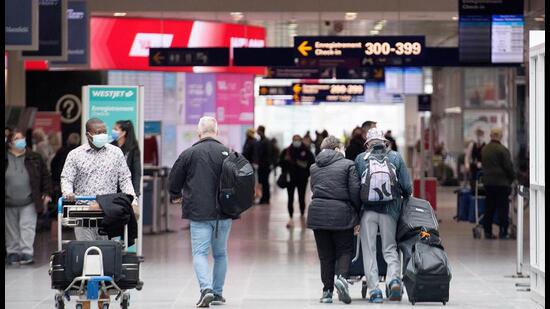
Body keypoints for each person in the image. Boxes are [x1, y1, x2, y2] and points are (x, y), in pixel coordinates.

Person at [169, 116, 232, 308]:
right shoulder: (228, 153)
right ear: (217, 132)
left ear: (198, 133)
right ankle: (218, 293)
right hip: (224, 211)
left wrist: (175, 194)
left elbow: (173, 181)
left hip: (198, 211)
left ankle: (206, 290)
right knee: (220, 254)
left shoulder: (189, 153)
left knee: (200, 252)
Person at [355, 128, 412, 303]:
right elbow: (407, 186)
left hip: (368, 211)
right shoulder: (394, 157)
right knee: (389, 247)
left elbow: (355, 187)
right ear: (384, 142)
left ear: (367, 144)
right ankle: (394, 280)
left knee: (369, 249)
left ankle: (374, 291)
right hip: (390, 210)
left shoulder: (360, 159)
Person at [61, 118, 138, 241]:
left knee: (108, 252)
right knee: (86, 251)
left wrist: (133, 201)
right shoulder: (75, 155)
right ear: (88, 134)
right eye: (98, 133)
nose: (102, 135)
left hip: (109, 211)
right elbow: (67, 178)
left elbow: (125, 179)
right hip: (84, 211)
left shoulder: (116, 153)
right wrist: (68, 192)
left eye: (104, 132)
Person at [307, 136, 361, 304]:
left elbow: (313, 188)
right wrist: (358, 212)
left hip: (318, 213)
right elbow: (355, 191)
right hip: (341, 213)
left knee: (325, 255)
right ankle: (342, 279)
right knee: (344, 250)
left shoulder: (314, 167)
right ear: (338, 149)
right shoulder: (348, 165)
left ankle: (327, 292)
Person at [5, 129, 52, 265]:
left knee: (28, 227)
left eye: (22, 138)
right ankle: (13, 252)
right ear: (10, 143)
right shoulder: (6, 157)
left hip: (30, 199)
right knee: (11, 228)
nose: (21, 141)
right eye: (17, 139)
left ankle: (26, 253)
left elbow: (45, 175)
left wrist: (47, 193)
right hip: (8, 201)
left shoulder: (34, 157)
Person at [481, 128, 515, 239]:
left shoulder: (484, 149)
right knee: (503, 208)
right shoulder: (502, 150)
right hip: (502, 183)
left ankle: (487, 231)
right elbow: (508, 167)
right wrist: (513, 178)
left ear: (491, 135)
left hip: (488, 183)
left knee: (489, 207)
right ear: (500, 136)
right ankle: (503, 231)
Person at [280, 134, 315, 228]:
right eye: (295, 140)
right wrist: (285, 162)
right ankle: (290, 216)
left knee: (301, 197)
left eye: (298, 140)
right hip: (290, 179)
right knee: (290, 198)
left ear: (301, 140)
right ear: (292, 140)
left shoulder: (306, 150)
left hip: (302, 179)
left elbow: (312, 163)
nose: (296, 141)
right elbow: (280, 163)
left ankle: (302, 214)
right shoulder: (287, 151)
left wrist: (307, 173)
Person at [111, 120, 142, 197]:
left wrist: (136, 192)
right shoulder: (110, 146)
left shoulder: (133, 148)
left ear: (124, 132)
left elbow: (136, 171)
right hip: (111, 189)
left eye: (116, 129)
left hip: (126, 189)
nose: (113, 131)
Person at [50, 133, 81, 205]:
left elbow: (53, 164)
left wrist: (55, 178)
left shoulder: (62, 150)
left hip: (61, 180)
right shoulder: (80, 152)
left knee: (64, 203)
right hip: (77, 183)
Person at [256, 125, 273, 204]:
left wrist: (267, 163)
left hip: (265, 166)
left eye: (258, 130)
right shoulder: (261, 141)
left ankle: (266, 198)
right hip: (261, 165)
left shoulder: (266, 141)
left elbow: (267, 154)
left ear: (261, 131)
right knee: (262, 182)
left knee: (265, 182)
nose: (257, 131)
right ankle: (264, 198)